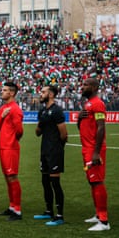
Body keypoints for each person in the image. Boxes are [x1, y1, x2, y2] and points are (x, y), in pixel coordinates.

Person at [78, 78, 110, 231]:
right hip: (87, 148)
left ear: (95, 87)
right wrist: (79, 117)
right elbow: (83, 126)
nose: (82, 87)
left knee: (97, 181)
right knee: (92, 182)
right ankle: (98, 214)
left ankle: (104, 221)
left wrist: (96, 152)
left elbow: (101, 127)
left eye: (86, 85)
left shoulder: (97, 103)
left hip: (93, 150)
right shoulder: (88, 104)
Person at [34, 86, 68, 226]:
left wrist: (58, 148)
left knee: (55, 183)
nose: (40, 94)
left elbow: (64, 134)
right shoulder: (42, 110)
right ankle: (48, 211)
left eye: (43, 92)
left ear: (51, 94)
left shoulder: (57, 110)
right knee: (45, 181)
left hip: (54, 151)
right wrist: (40, 123)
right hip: (44, 151)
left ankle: (59, 216)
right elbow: (37, 133)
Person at [0, 82, 24, 221]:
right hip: (3, 147)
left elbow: (19, 131)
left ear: (12, 93)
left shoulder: (15, 109)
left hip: (10, 147)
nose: (2, 92)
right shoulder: (3, 109)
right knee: (7, 178)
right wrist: (2, 116)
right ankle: (12, 206)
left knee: (12, 177)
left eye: (5, 90)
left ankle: (17, 211)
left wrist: (12, 141)